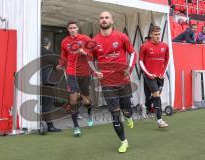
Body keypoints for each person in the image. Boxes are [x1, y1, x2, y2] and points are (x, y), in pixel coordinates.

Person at [89, 11, 136, 153]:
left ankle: (128, 116)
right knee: (115, 114)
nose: (104, 20)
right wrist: (95, 72)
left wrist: (130, 68)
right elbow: (90, 59)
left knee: (127, 109)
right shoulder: (94, 41)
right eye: (101, 18)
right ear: (99, 21)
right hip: (107, 83)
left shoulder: (121, 36)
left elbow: (132, 53)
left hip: (123, 80)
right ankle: (123, 141)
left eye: (106, 18)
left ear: (112, 21)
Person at [56, 21, 93, 137]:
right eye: (70, 28)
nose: (72, 29)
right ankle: (76, 127)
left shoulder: (85, 38)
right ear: (68, 30)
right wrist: (60, 64)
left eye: (74, 27)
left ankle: (89, 111)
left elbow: (93, 54)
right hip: (71, 73)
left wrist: (85, 53)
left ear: (77, 28)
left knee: (86, 100)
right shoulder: (65, 41)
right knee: (73, 100)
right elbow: (63, 56)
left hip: (84, 73)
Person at [139, 26, 170, 128]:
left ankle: (146, 105)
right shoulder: (145, 46)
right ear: (151, 34)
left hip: (160, 76)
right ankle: (160, 120)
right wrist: (148, 74)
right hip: (150, 76)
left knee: (155, 96)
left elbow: (167, 60)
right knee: (157, 95)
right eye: (156, 34)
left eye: (159, 34)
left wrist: (163, 72)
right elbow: (140, 62)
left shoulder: (165, 46)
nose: (158, 36)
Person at [40, 37, 62, 135]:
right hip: (47, 82)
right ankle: (49, 125)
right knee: (47, 104)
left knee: (44, 103)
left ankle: (44, 123)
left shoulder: (36, 51)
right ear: (48, 43)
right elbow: (59, 65)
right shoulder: (49, 53)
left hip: (38, 81)